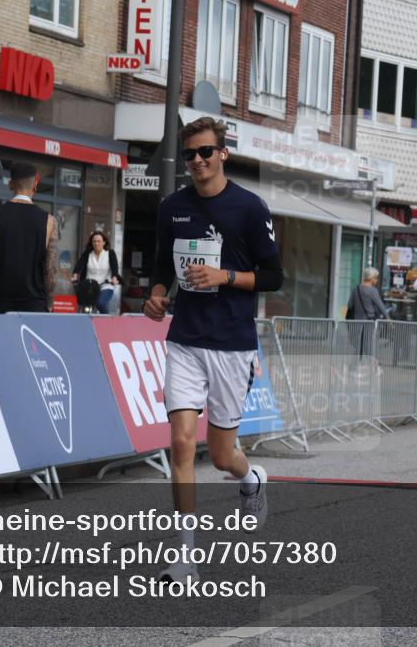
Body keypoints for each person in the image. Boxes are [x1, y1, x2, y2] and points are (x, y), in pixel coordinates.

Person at [142, 117, 283, 584]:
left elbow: (273, 277)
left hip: (231, 344)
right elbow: (163, 266)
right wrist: (157, 295)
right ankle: (185, 558)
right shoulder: (172, 208)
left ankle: (251, 478)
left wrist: (225, 277)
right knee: (180, 442)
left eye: (205, 152)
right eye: (190, 155)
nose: (197, 161)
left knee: (222, 456)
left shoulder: (248, 207)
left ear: (223, 153)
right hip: (185, 340)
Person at [0, 162, 58, 314]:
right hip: (35, 305)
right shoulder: (49, 222)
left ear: (10, 185)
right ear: (35, 186)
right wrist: (49, 303)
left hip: (0, 303)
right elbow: (51, 270)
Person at [71, 231, 122, 314]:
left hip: (105, 285)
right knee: (83, 306)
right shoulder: (88, 254)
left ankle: (107, 321)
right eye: (94, 241)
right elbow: (79, 265)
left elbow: (114, 268)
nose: (96, 243)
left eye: (99, 241)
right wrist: (75, 275)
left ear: (104, 242)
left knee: (100, 304)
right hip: (90, 286)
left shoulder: (110, 254)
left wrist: (114, 278)